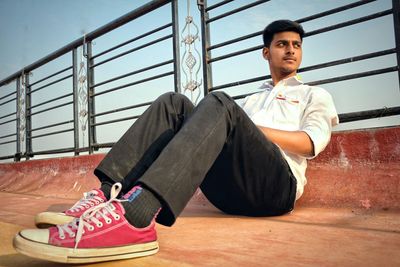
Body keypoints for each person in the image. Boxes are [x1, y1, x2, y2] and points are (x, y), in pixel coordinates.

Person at [13, 19, 339, 264]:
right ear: (267, 52)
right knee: (175, 103)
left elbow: (310, 143)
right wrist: (231, 120)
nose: (291, 50)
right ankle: (106, 194)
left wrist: (248, 126)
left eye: (296, 44)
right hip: (230, 195)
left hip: (275, 189)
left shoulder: (313, 94)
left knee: (219, 102)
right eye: (283, 44)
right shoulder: (252, 99)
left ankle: (137, 217)